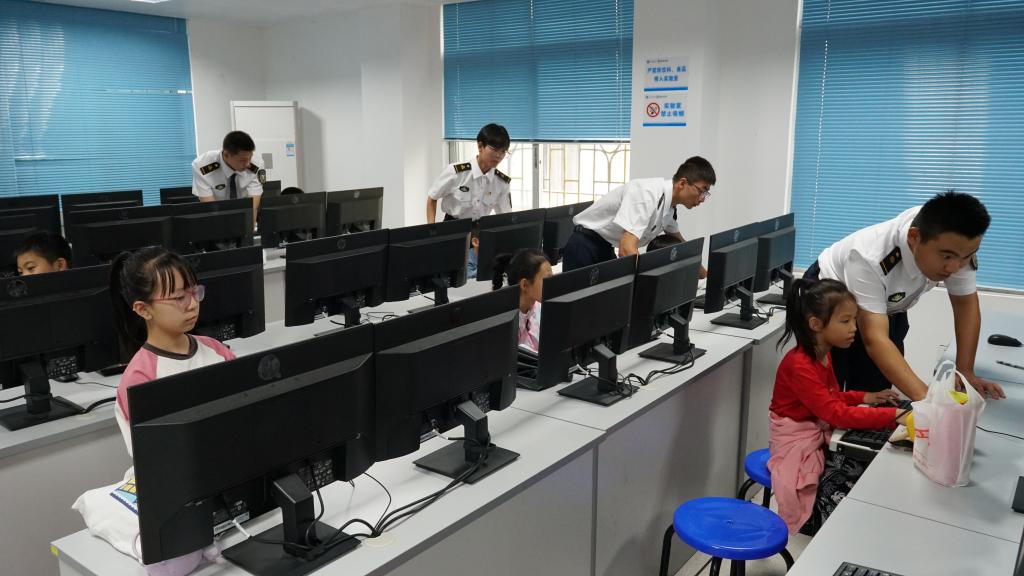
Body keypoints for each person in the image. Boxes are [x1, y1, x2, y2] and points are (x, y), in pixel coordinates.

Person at [108, 246, 235, 575]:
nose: (192, 303)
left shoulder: (216, 351)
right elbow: (158, 462)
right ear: (143, 309)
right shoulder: (141, 379)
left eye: (194, 292)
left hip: (229, 482)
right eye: (179, 297)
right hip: (179, 500)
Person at [805, 191, 1002, 401]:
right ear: (914, 237)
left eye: (966, 256)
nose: (955, 267)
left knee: (877, 391)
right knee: (826, 393)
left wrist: (965, 373)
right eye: (947, 256)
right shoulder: (871, 257)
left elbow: (965, 307)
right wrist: (930, 402)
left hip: (885, 306)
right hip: (830, 300)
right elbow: (875, 339)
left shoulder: (955, 245)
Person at [768, 278, 909, 536]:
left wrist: (865, 397)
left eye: (855, 320)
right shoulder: (799, 365)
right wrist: (894, 416)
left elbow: (830, 398)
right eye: (845, 321)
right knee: (851, 474)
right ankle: (826, 528)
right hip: (795, 436)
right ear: (816, 324)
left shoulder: (823, 354)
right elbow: (834, 413)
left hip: (813, 423)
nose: (854, 328)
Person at [563, 156, 715, 273]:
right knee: (578, 304)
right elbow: (626, 249)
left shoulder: (669, 206)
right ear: (682, 183)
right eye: (701, 191)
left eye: (706, 194)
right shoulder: (646, 194)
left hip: (604, 245)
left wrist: (702, 272)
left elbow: (680, 241)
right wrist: (650, 280)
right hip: (584, 245)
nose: (702, 198)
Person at [426, 123, 513, 224]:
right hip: (452, 226)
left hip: (480, 228)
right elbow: (432, 198)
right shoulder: (456, 172)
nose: (499, 156)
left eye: (503, 151)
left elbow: (505, 216)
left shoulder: (501, 182)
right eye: (495, 149)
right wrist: (432, 229)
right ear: (480, 146)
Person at [192, 131, 265, 227]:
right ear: (226, 155)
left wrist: (249, 232)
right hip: (216, 210)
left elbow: (252, 207)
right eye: (242, 160)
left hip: (242, 210)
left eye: (250, 157)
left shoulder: (257, 163)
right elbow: (211, 209)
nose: (248, 164)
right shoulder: (202, 166)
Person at [491, 248, 553, 353]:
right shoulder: (502, 323)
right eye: (547, 280)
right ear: (524, 285)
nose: (552, 284)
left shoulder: (541, 308)